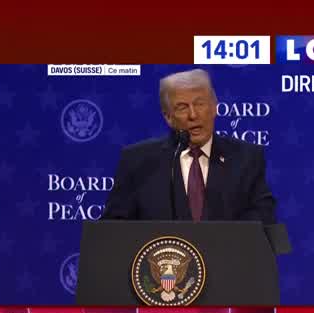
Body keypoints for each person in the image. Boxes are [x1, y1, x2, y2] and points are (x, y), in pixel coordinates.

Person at [102, 69, 276, 224]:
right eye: (182, 107)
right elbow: (114, 228)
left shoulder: (246, 157)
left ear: (214, 107)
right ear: (168, 116)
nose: (193, 115)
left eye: (200, 104)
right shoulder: (138, 161)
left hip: (226, 258)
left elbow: (263, 217)